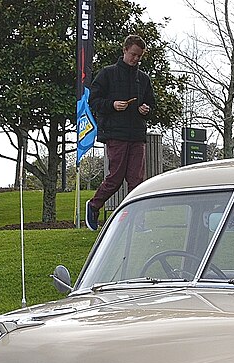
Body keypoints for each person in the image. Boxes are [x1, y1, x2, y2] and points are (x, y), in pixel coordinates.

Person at [86, 34, 156, 231]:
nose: (136, 59)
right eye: (133, 54)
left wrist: (146, 109)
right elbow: (93, 101)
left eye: (139, 56)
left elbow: (151, 103)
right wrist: (112, 105)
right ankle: (93, 206)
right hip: (115, 134)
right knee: (115, 178)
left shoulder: (143, 79)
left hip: (137, 135)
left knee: (137, 181)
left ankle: (138, 221)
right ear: (124, 50)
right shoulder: (107, 74)